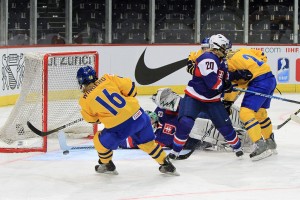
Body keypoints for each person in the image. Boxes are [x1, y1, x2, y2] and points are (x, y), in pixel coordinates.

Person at [76, 66, 179, 175]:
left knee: (98, 140)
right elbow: (132, 89)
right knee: (148, 144)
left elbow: (94, 121)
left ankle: (106, 165)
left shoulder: (84, 101)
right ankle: (167, 165)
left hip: (120, 129)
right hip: (140, 117)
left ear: (81, 82)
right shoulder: (108, 78)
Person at [168, 34, 244, 160]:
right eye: (225, 47)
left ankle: (238, 148)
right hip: (194, 97)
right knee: (185, 123)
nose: (227, 50)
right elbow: (213, 83)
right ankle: (175, 151)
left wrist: (234, 76)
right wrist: (226, 86)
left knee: (225, 127)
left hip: (212, 100)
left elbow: (223, 77)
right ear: (217, 47)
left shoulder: (221, 60)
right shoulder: (207, 58)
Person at [224, 48, 277, 161]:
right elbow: (262, 55)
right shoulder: (242, 50)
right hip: (270, 77)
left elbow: (235, 84)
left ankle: (260, 144)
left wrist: (228, 102)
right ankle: (270, 141)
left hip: (259, 82)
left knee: (245, 113)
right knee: (260, 112)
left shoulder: (226, 63)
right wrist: (255, 69)